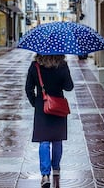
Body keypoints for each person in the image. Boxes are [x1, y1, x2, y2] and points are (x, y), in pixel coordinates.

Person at [25, 54, 74, 188]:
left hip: (42, 106)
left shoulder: (35, 66)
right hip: (58, 106)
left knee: (44, 141)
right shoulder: (62, 65)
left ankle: (45, 174)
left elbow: (28, 88)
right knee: (57, 139)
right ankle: (56, 168)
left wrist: (36, 103)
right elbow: (69, 87)